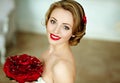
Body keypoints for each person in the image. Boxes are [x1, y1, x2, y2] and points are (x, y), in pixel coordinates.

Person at [27, 0, 87, 83]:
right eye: (53, 21)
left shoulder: (61, 67)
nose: (56, 31)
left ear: (74, 32)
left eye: (65, 27)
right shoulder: (50, 51)